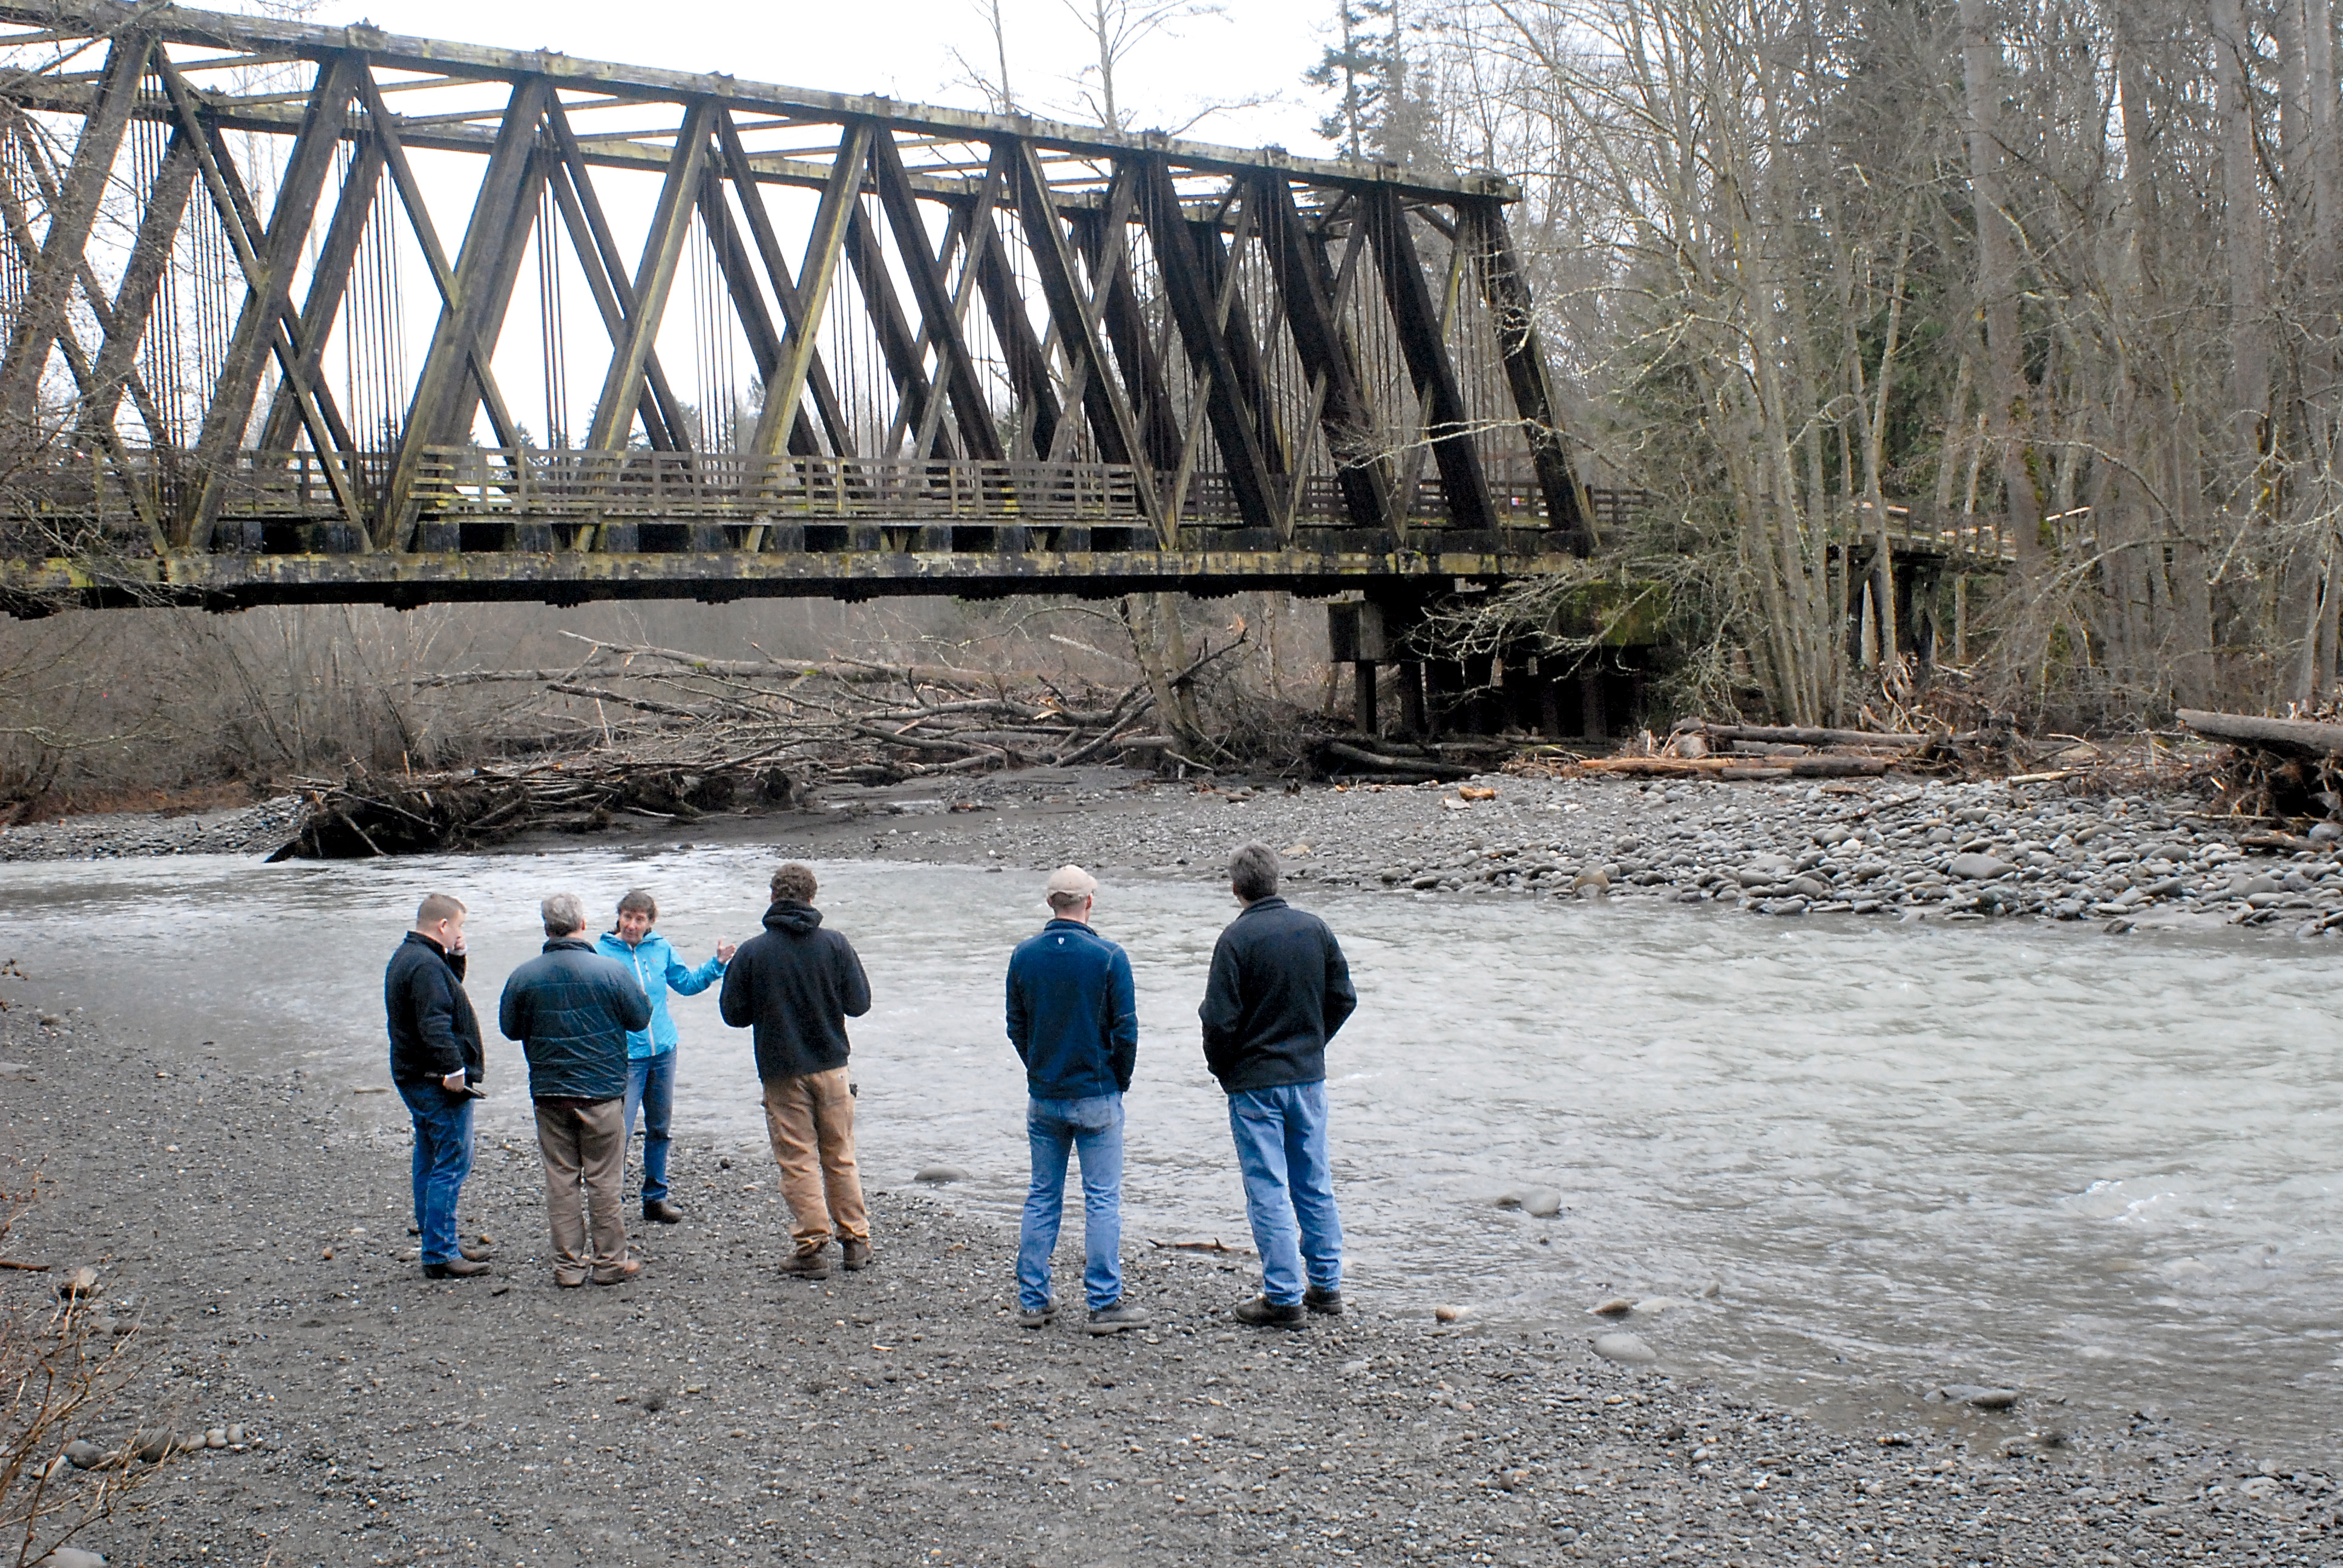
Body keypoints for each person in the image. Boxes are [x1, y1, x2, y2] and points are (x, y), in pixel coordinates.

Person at [1199, 841, 1357, 1327]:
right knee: (1314, 1181)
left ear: (1236, 888)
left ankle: (1283, 1295)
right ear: (1276, 880)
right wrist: (1314, 1043)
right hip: (1307, 1077)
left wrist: (1226, 1071)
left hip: (1254, 1083)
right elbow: (1343, 998)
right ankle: (1326, 1286)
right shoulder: (1315, 929)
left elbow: (1218, 1022)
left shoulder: (1235, 940)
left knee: (1267, 1185)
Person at [1004, 865, 1149, 1334]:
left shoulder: (1024, 956)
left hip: (1045, 1093)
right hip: (1097, 1092)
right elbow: (1125, 1030)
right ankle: (1103, 1302)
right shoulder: (1109, 956)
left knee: (1042, 1196)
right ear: (1090, 902)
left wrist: (1037, 1065)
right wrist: (1118, 1079)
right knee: (1101, 1199)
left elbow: (1016, 1024)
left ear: (1051, 904)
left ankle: (1033, 1300)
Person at [720, 862, 873, 1281]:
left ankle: (812, 1247)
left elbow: (733, 1015)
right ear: (812, 897)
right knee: (840, 1156)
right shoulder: (835, 945)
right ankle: (855, 1241)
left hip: (781, 1069)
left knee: (798, 1159)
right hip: (833, 1067)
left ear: (773, 898)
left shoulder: (753, 951)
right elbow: (859, 1003)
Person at [499, 892, 652, 1287]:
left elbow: (510, 1029)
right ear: (583, 924)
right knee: (605, 1179)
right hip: (602, 1092)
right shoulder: (611, 971)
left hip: (550, 1091)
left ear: (546, 927)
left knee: (561, 1179)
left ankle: (568, 1267)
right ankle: (610, 1263)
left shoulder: (523, 975)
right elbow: (639, 1019)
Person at [594, 889, 735, 1226]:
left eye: (639, 919)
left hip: (663, 1052)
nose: (631, 924)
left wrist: (716, 965)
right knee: (619, 1132)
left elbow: (686, 984)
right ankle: (610, 1203)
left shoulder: (661, 949)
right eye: (627, 917)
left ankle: (655, 1198)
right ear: (619, 917)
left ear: (650, 922)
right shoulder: (599, 953)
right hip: (625, 1056)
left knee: (660, 1128)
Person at [384, 892, 491, 1281]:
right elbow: (435, 1023)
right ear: (443, 925)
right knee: (452, 1159)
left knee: (429, 1157)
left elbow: (446, 994)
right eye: (459, 927)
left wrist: (457, 957)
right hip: (433, 1079)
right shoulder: (425, 965)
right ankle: (439, 1251)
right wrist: (455, 1071)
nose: (460, 932)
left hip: (412, 1074)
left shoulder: (412, 956)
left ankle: (438, 1237)